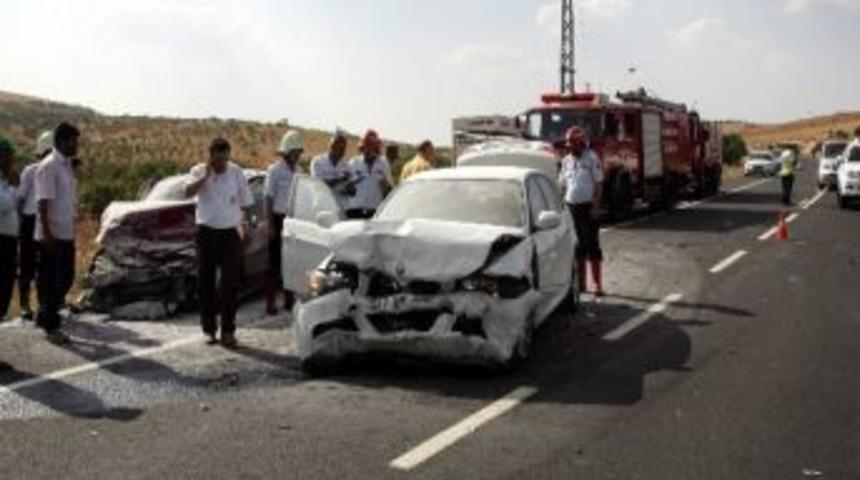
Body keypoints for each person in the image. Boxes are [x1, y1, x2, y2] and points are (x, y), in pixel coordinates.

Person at [185, 138, 254, 348]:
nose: (222, 164)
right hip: (206, 232)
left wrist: (246, 223)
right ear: (210, 156)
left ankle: (228, 331)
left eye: (225, 159)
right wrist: (205, 177)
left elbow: (246, 201)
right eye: (218, 160)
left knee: (229, 284)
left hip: (230, 234)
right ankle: (209, 329)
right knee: (205, 283)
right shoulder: (198, 171)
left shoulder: (236, 172)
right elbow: (187, 192)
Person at [35, 123, 80, 344]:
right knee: (52, 281)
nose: (76, 145)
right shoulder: (49, 166)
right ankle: (50, 325)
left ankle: (45, 314)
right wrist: (47, 233)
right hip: (52, 235)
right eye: (73, 141)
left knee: (66, 279)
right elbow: (42, 203)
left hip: (66, 233)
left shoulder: (66, 165)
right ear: (62, 141)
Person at [558, 126, 605, 297]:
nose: (570, 148)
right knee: (577, 246)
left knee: (592, 245)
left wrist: (596, 207)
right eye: (569, 145)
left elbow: (599, 184)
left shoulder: (592, 158)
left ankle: (597, 283)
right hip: (572, 208)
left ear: (581, 143)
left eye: (573, 145)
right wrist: (560, 207)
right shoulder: (566, 161)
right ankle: (581, 283)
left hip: (588, 207)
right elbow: (562, 185)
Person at [263, 131, 303, 315]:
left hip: (294, 221)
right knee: (274, 263)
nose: (297, 154)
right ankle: (270, 303)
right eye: (294, 151)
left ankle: (289, 301)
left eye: (299, 151)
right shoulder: (274, 170)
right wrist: (270, 224)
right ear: (286, 151)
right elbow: (268, 198)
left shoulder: (300, 172)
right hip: (278, 219)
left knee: (291, 262)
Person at [16, 131, 53, 320]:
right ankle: (24, 305)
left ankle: (43, 304)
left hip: (48, 222)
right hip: (30, 221)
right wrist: (19, 225)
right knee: (26, 264)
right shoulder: (31, 171)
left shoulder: (59, 171)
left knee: (45, 266)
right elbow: (20, 199)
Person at [346, 130, 393, 219]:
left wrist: (383, 181)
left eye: (372, 148)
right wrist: (351, 184)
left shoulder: (383, 163)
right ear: (362, 148)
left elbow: (389, 190)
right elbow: (347, 188)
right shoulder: (353, 163)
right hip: (355, 209)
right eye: (366, 147)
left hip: (375, 210)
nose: (368, 151)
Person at [0, 137, 19, 322]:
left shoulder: (5, 182)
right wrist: (14, 189)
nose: (12, 161)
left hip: (9, 240)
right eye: (8, 156)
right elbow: (3, 205)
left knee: (7, 280)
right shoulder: (8, 184)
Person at [311, 130, 355, 208]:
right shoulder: (318, 162)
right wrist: (341, 179)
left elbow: (352, 192)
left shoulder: (346, 165)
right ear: (332, 146)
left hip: (341, 209)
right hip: (322, 207)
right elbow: (320, 185)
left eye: (343, 148)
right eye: (340, 148)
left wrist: (350, 189)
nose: (342, 152)